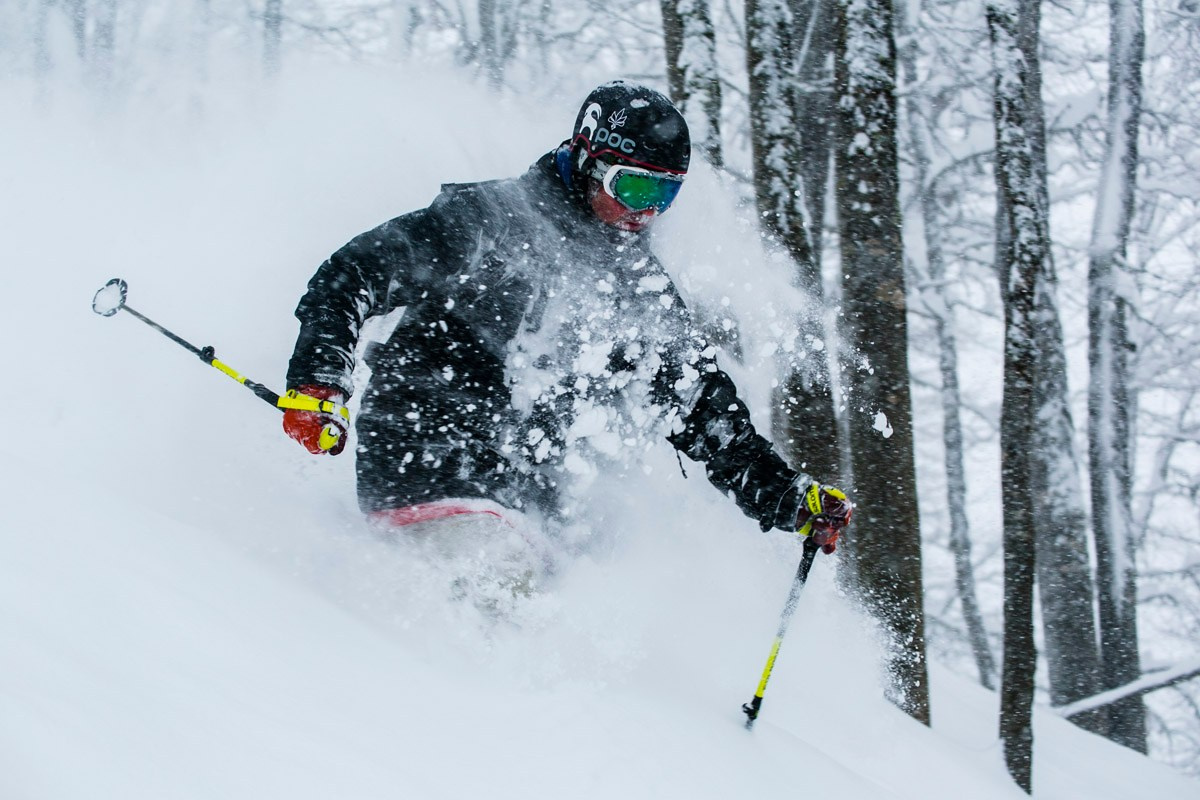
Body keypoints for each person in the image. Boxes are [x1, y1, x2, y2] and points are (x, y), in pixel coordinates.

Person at [282, 80, 851, 563]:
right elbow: (351, 275)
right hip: (427, 454)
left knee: (587, 600)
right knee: (497, 584)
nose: (644, 212)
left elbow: (700, 404)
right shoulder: (486, 221)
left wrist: (786, 495)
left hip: (529, 498)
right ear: (589, 160)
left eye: (664, 194)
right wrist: (319, 381)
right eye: (632, 186)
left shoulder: (637, 286)